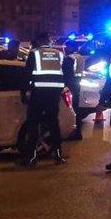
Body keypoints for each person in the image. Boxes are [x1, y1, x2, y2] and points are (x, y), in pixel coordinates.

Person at [18, 33, 73, 166]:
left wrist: (24, 92)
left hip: (38, 94)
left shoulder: (34, 53)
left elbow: (26, 75)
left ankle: (32, 158)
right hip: (53, 95)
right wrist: (63, 87)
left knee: (33, 125)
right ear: (49, 41)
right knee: (53, 125)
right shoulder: (59, 54)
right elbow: (68, 73)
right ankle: (58, 156)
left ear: (38, 40)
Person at [64, 40, 85, 141]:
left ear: (71, 47)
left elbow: (66, 73)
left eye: (66, 47)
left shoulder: (70, 58)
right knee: (76, 109)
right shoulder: (80, 57)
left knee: (72, 110)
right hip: (77, 84)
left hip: (70, 85)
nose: (65, 49)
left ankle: (75, 132)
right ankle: (77, 132)